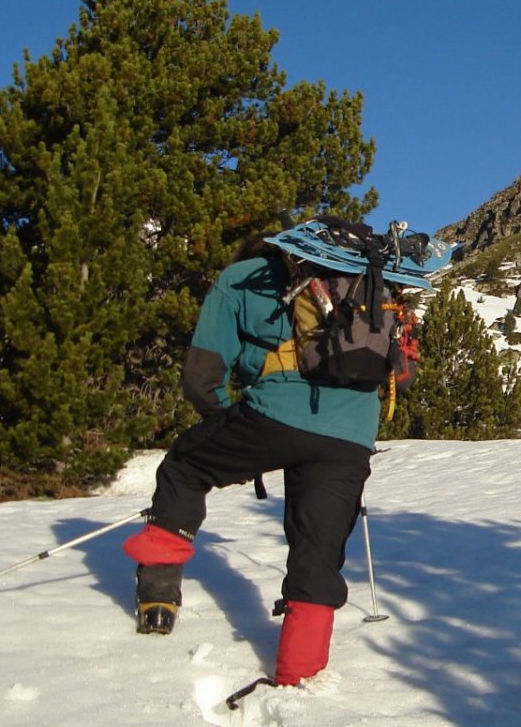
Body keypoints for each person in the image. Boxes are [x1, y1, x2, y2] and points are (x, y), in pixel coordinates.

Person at [122, 233, 379, 688]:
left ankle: (157, 599)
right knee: (317, 551)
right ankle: (299, 672)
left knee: (185, 466)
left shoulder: (240, 279)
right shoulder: (364, 284)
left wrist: (229, 427)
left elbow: (201, 378)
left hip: (274, 417)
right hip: (352, 432)